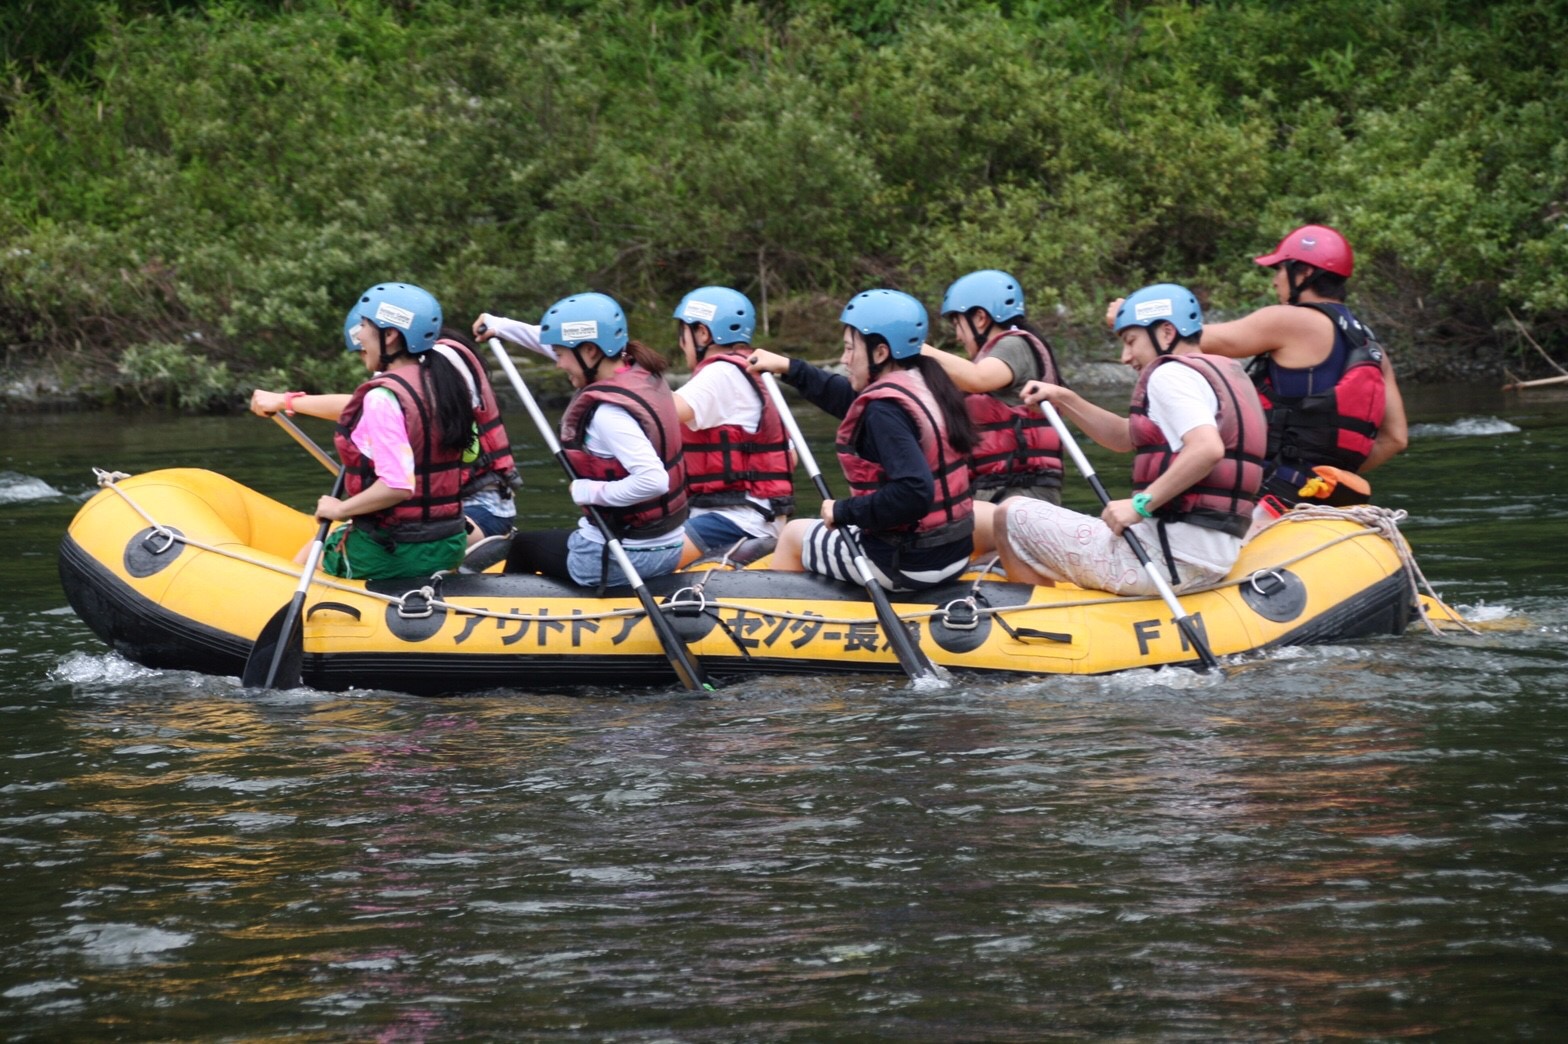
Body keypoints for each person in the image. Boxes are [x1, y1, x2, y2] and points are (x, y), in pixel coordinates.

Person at [993, 283, 1265, 596]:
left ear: (1166, 333)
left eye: (1131, 341)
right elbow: (1125, 438)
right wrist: (1065, 399)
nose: (1125, 357)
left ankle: (1036, 615)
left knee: (1009, 515)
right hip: (1213, 557)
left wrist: (1140, 505)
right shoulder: (1220, 372)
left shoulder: (1169, 375)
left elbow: (1207, 448)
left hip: (1166, 559)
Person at [747, 289, 978, 591]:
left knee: (792, 534)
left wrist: (842, 510)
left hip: (906, 564)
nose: (844, 359)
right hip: (955, 554)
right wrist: (790, 368)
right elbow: (846, 397)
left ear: (880, 353)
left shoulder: (884, 410)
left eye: (849, 349)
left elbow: (914, 492)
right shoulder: (926, 382)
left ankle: (777, 609)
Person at [251, 303, 521, 546]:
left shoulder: (441, 363)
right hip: (443, 509)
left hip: (477, 512)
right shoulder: (423, 365)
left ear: (389, 337)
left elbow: (361, 407)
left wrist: (287, 400)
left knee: (319, 551)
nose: (364, 358)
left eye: (362, 347)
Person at [1192, 223, 1408, 507]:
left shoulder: (1289, 320)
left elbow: (1193, 339)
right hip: (1330, 496)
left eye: (1280, 270)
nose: (1275, 281)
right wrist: (1324, 477)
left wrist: (1144, 322)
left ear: (1304, 272)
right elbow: (1395, 438)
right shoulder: (1371, 346)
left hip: (1270, 492)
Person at [500, 292, 689, 590]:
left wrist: (589, 490)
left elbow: (654, 481)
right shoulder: (640, 372)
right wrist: (499, 327)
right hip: (668, 545)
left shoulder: (608, 414)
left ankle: (502, 612)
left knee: (523, 546)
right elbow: (562, 346)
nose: (558, 364)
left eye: (560, 354)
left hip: (622, 557)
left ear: (590, 351)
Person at [292, 282, 479, 581]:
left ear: (390, 335)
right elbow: (470, 454)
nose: (359, 336)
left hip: (397, 552)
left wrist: (340, 509)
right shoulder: (443, 383)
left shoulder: (383, 397)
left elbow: (397, 486)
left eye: (364, 326)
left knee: (304, 559)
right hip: (448, 543)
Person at [670, 285, 794, 565]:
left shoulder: (719, 372)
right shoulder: (754, 373)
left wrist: (622, 380)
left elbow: (658, 413)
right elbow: (791, 457)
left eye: (683, 333)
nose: (681, 344)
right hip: (761, 517)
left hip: (735, 520)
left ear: (702, 333)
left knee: (640, 558)